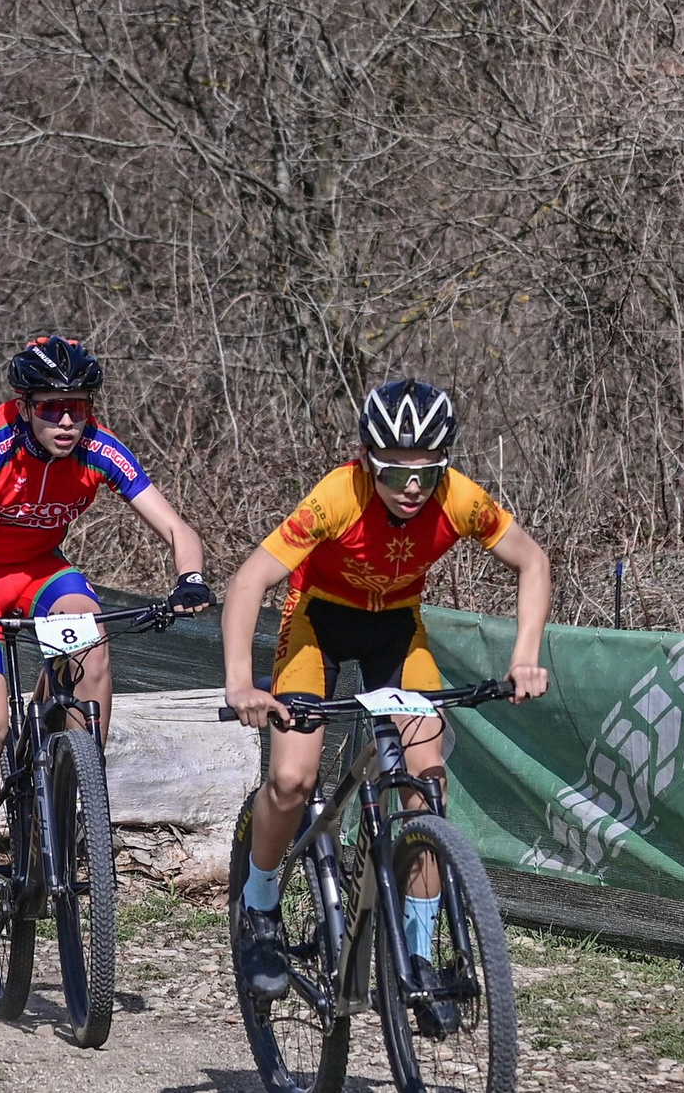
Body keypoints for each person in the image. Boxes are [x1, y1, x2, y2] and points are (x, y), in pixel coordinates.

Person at [0, 334, 211, 964]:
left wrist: (189, 578)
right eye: (51, 408)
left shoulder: (98, 448)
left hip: (42, 573)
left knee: (91, 636)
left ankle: (74, 779)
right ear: (24, 405)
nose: (66, 420)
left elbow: (175, 527)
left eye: (78, 407)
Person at [221, 378, 552, 995]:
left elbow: (532, 561)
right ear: (367, 461)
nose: (411, 488)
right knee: (292, 779)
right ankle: (260, 904)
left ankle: (419, 951)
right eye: (394, 471)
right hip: (318, 621)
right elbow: (248, 582)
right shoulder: (337, 495)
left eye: (426, 472)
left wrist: (525, 657)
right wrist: (242, 682)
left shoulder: (460, 499)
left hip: (397, 631)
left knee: (426, 782)